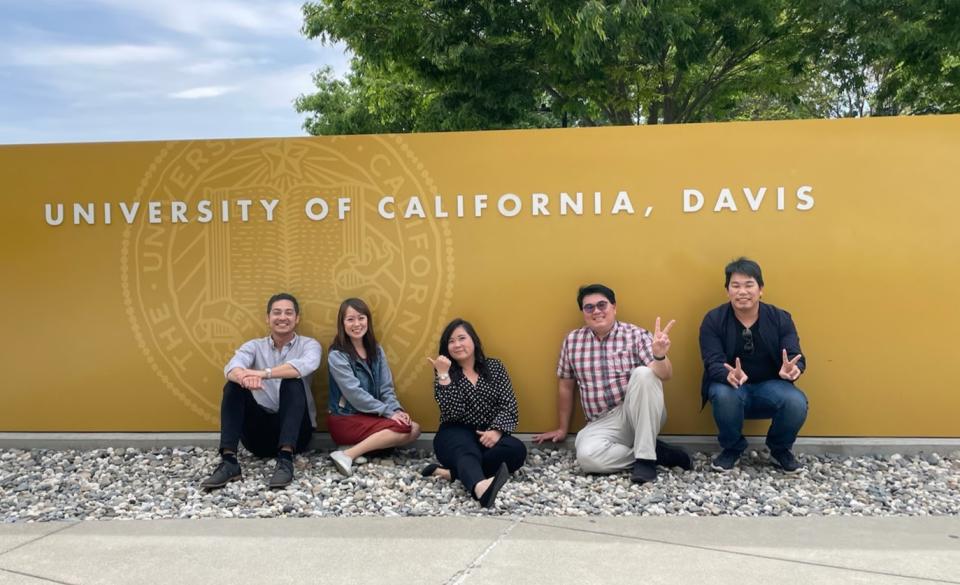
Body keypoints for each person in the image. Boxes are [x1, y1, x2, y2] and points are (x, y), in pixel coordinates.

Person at [533, 284, 691, 484]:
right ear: (583, 312)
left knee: (644, 373)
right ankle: (654, 453)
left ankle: (646, 460)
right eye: (589, 307)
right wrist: (562, 428)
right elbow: (566, 386)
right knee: (587, 458)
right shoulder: (572, 341)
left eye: (602, 305)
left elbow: (665, 374)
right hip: (601, 422)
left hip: (636, 413)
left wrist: (659, 356)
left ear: (614, 307)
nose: (596, 311)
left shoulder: (635, 335)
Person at [200, 293, 321, 490]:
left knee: (292, 381)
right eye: (277, 313)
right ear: (268, 318)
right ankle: (229, 461)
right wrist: (243, 377)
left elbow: (305, 366)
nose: (283, 317)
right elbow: (232, 368)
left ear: (297, 318)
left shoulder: (309, 345)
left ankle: (285, 460)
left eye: (289, 313)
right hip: (259, 436)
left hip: (297, 433)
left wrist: (263, 374)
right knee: (232, 386)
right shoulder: (254, 346)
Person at [699, 257, 808, 473]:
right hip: (730, 387)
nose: (742, 292)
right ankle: (732, 449)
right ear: (727, 290)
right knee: (724, 394)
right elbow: (712, 361)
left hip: (771, 386)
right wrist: (726, 374)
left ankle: (780, 450)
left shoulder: (780, 318)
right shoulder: (714, 319)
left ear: (761, 290)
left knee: (796, 401)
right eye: (735, 286)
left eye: (749, 285)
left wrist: (794, 369)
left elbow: (795, 355)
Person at [424, 318, 526, 508]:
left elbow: (509, 405)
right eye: (451, 341)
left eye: (462, 338)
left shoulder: (495, 367)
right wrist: (443, 375)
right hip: (454, 433)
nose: (457, 344)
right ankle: (480, 488)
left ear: (473, 340)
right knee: (465, 449)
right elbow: (453, 412)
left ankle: (453, 473)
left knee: (516, 450)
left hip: (487, 434)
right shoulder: (444, 372)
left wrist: (496, 431)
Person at [326, 297, 421, 476]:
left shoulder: (376, 350)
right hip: (345, 418)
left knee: (414, 428)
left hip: (371, 415)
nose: (357, 324)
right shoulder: (337, 355)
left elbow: (386, 388)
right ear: (342, 323)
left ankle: (354, 448)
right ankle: (346, 455)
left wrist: (397, 410)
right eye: (350, 319)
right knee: (402, 429)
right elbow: (355, 395)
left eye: (361, 318)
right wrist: (388, 413)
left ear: (368, 320)